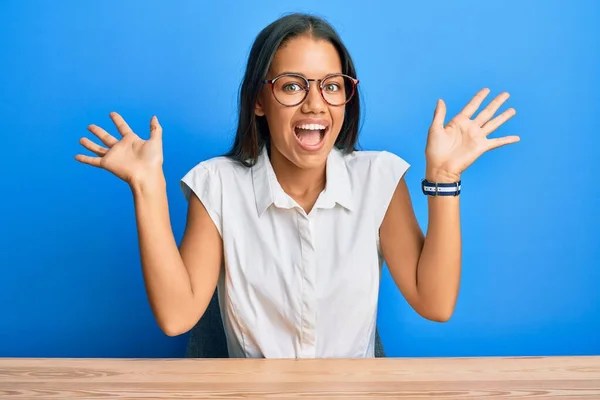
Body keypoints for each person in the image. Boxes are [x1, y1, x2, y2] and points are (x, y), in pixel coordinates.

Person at [75, 13, 519, 358]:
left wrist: (444, 179)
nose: (315, 104)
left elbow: (435, 303)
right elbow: (176, 316)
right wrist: (146, 187)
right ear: (259, 101)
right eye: (292, 86)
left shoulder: (378, 179)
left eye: (331, 86)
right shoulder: (218, 185)